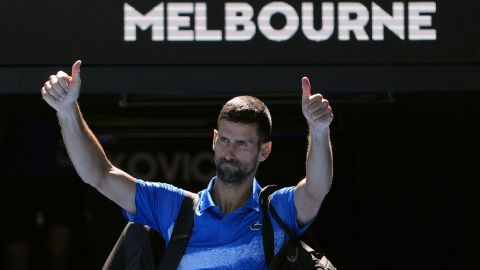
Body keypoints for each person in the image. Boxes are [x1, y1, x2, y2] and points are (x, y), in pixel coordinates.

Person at [40, 60, 334, 269]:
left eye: (242, 144)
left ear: (264, 151)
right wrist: (67, 110)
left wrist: (319, 131)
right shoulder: (174, 208)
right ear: (214, 139)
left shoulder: (276, 212)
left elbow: (316, 189)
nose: (229, 152)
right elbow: (99, 174)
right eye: (225, 140)